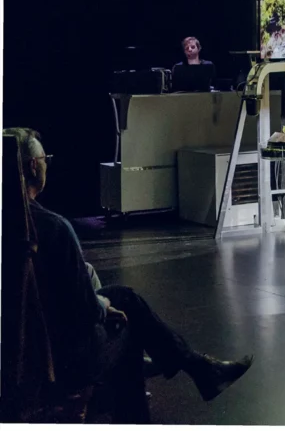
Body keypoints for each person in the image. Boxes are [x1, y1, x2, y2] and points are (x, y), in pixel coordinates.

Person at [4, 128, 252, 422]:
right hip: (61, 358)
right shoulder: (54, 229)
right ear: (33, 166)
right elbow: (84, 311)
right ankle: (185, 376)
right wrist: (104, 307)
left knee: (124, 298)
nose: (47, 164)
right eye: (46, 159)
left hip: (17, 352)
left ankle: (196, 367)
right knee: (129, 321)